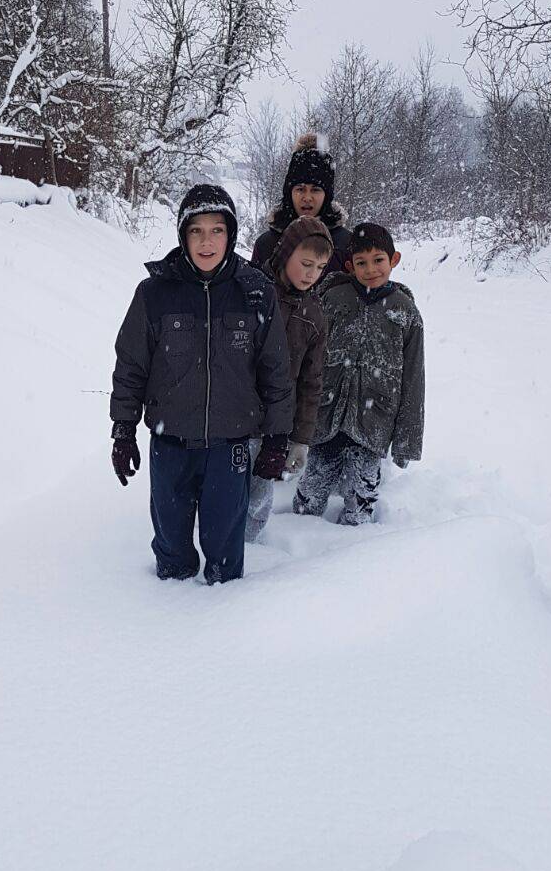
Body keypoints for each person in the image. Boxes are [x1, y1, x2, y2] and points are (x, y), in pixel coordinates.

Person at [110, 182, 294, 584]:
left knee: (226, 554)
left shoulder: (256, 292)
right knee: (172, 549)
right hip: (170, 443)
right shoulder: (155, 294)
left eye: (217, 230)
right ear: (183, 234)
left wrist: (278, 437)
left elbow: (275, 371)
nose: (206, 241)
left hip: (230, 448)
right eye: (196, 230)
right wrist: (123, 430)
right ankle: (167, 621)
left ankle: (222, 628)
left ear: (230, 233)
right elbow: (131, 367)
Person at [293, 221, 424, 526]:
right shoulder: (333, 300)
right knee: (313, 485)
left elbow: (414, 381)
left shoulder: (405, 312)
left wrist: (407, 441)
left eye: (379, 260)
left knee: (360, 494)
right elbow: (308, 360)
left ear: (394, 260)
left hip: (373, 424)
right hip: (326, 417)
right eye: (362, 263)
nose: (371, 270)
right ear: (350, 266)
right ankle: (295, 538)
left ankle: (356, 553)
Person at [246, 216, 332, 542]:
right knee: (221, 490)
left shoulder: (315, 316)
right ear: (285, 255)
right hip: (233, 417)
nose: (312, 274)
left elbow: (312, 382)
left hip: (273, 426)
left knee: (258, 496)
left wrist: (302, 439)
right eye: (306, 263)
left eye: (320, 267)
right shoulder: (252, 291)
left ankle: (249, 550)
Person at [250, 132, 352, 277]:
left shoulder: (345, 244)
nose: (307, 197)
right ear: (289, 192)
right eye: (300, 189)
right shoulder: (267, 244)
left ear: (327, 195)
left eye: (315, 190)